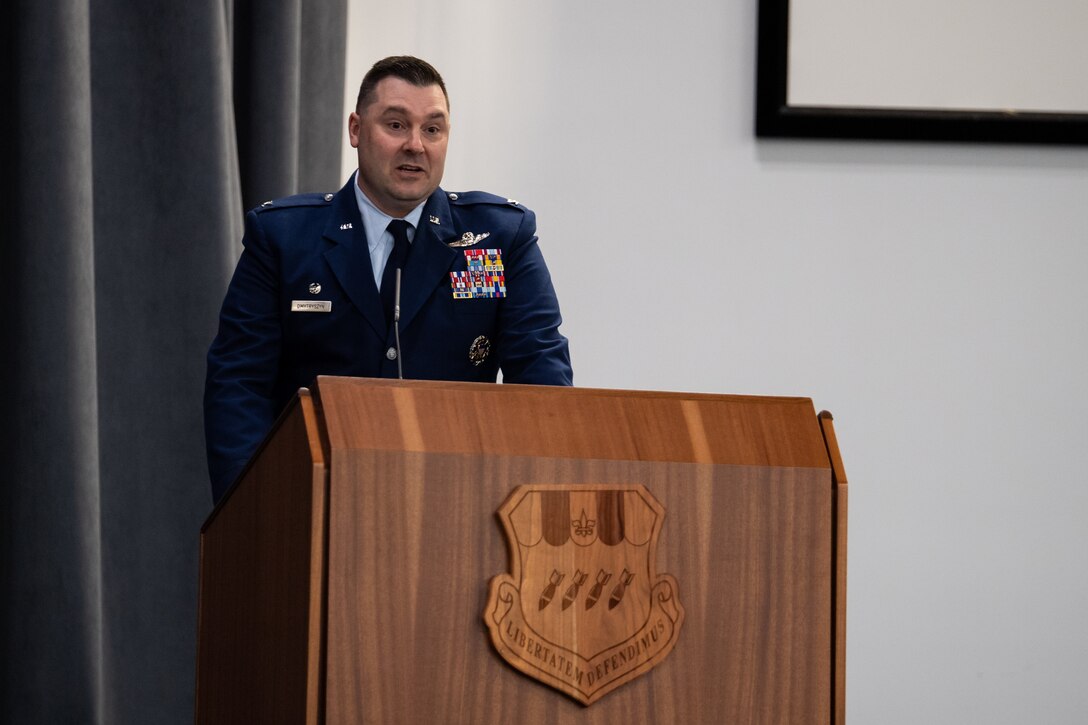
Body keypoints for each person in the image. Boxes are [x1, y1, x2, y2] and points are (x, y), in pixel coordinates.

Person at [204, 56, 572, 503]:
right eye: (396, 125)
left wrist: (523, 505)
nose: (416, 145)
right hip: (313, 502)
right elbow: (238, 385)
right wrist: (254, 509)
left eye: (432, 130)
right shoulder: (284, 238)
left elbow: (543, 388)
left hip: (458, 504)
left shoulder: (501, 237)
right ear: (356, 129)